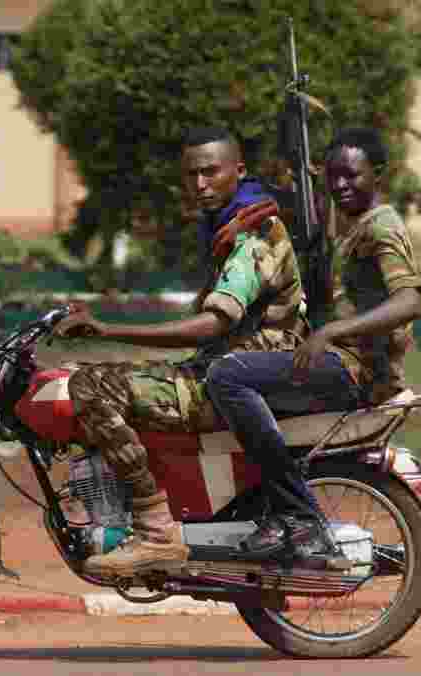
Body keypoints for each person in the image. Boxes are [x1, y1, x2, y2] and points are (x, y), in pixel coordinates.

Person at [54, 125, 307, 578]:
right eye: (191, 175)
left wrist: (108, 329)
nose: (200, 185)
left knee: (91, 385)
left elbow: (215, 322)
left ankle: (155, 532)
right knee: (108, 375)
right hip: (228, 365)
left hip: (240, 375)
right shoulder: (226, 224)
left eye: (211, 172)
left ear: (239, 170)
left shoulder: (254, 233)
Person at [204, 126, 421, 561]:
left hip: (356, 369)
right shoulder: (349, 226)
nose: (341, 184)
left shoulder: (382, 226)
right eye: (333, 175)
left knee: (227, 377)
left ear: (377, 175)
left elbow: (409, 300)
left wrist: (330, 333)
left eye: (353, 176)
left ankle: (297, 514)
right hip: (340, 360)